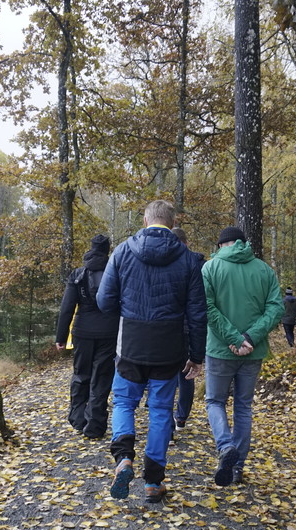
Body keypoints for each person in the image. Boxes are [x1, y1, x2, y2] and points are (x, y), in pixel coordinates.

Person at [96, 200, 206, 503]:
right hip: (169, 347)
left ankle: (123, 458)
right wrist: (197, 356)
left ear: (145, 220)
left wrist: (127, 312)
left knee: (124, 402)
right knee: (160, 410)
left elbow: (104, 301)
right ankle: (154, 482)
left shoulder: (122, 252)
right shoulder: (188, 259)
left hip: (131, 343)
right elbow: (198, 314)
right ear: (172, 223)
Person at [202, 226, 284, 486]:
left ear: (221, 245)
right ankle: (237, 468)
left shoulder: (210, 268)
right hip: (252, 351)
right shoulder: (264, 270)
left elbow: (207, 308)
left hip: (219, 350)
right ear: (243, 243)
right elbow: (276, 308)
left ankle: (225, 446)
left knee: (215, 401)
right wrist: (249, 337)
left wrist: (234, 338)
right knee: (243, 407)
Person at [55, 234, 120, 439]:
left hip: (82, 332)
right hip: (109, 332)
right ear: (108, 250)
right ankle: (95, 425)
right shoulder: (115, 272)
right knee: (102, 377)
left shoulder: (78, 274)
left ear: (91, 249)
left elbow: (67, 308)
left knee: (81, 374)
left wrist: (61, 337)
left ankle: (78, 419)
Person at [169, 227, 206, 439]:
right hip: (190, 328)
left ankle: (168, 422)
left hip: (169, 327)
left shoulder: (167, 262)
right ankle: (181, 418)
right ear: (187, 242)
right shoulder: (199, 264)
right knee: (187, 374)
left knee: (167, 376)